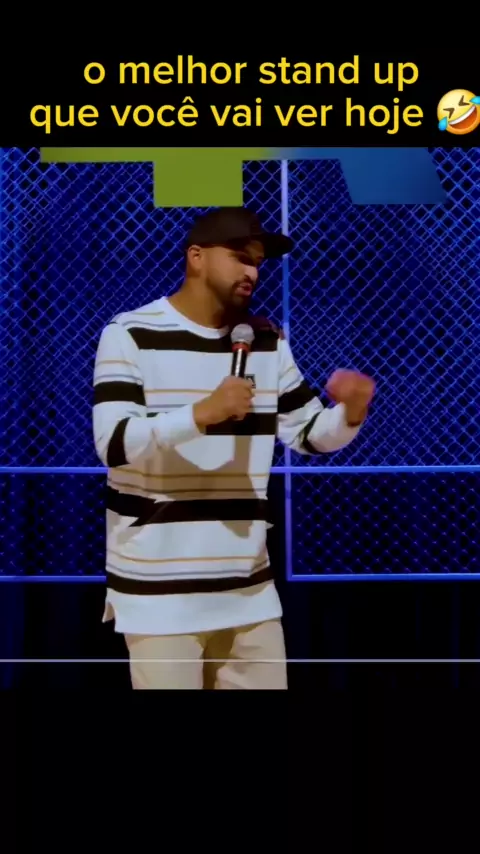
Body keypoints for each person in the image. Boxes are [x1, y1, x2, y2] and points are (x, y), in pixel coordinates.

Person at [92, 207, 375, 690]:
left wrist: (350, 412)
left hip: (248, 590)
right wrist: (201, 413)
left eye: (258, 263)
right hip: (159, 595)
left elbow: (308, 433)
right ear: (196, 257)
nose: (252, 272)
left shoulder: (265, 341)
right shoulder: (130, 333)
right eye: (241, 257)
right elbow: (113, 442)